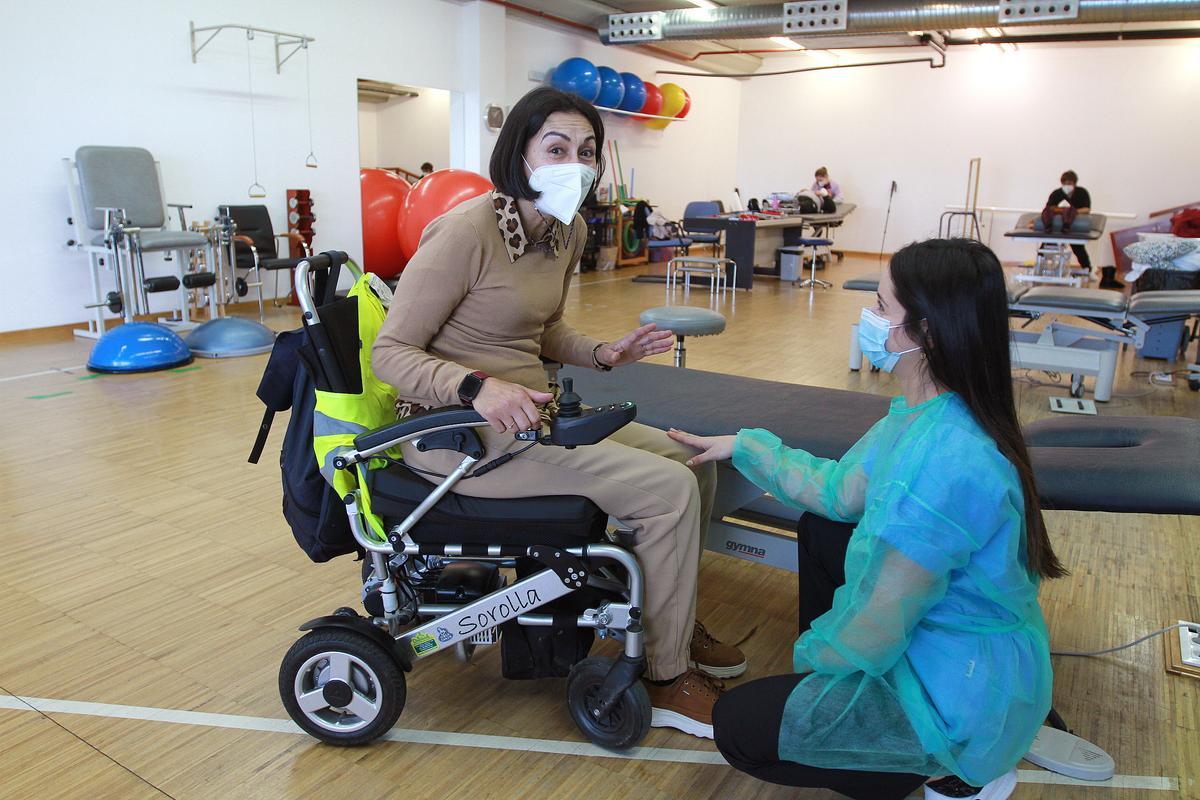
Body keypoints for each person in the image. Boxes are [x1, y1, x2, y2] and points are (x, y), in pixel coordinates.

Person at [372, 86, 745, 738]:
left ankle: (670, 616)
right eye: (557, 147)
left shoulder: (565, 232)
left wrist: (603, 351)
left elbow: (541, 334)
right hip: (458, 434)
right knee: (667, 490)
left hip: (529, 417)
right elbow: (390, 352)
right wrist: (475, 389)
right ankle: (664, 674)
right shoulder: (465, 232)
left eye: (587, 151)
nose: (575, 162)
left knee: (691, 457)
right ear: (520, 153)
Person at [668, 238, 1065, 800]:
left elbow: (877, 626)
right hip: (974, 660)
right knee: (823, 528)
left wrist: (818, 658)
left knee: (739, 726)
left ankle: (950, 773)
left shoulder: (939, 464)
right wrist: (747, 447)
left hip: (961, 699)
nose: (869, 320)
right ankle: (879, 723)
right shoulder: (930, 411)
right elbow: (840, 491)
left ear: (924, 332)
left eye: (881, 308)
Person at [1040, 170, 1098, 275]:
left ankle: (1088, 269)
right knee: (1047, 243)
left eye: (1070, 184)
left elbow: (1086, 209)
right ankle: (1040, 265)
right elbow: (1049, 208)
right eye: (1065, 184)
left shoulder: (1082, 193)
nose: (1067, 186)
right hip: (1056, 227)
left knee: (1078, 247)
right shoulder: (1057, 193)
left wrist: (1072, 212)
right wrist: (1062, 211)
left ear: (1074, 183)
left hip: (1074, 225)